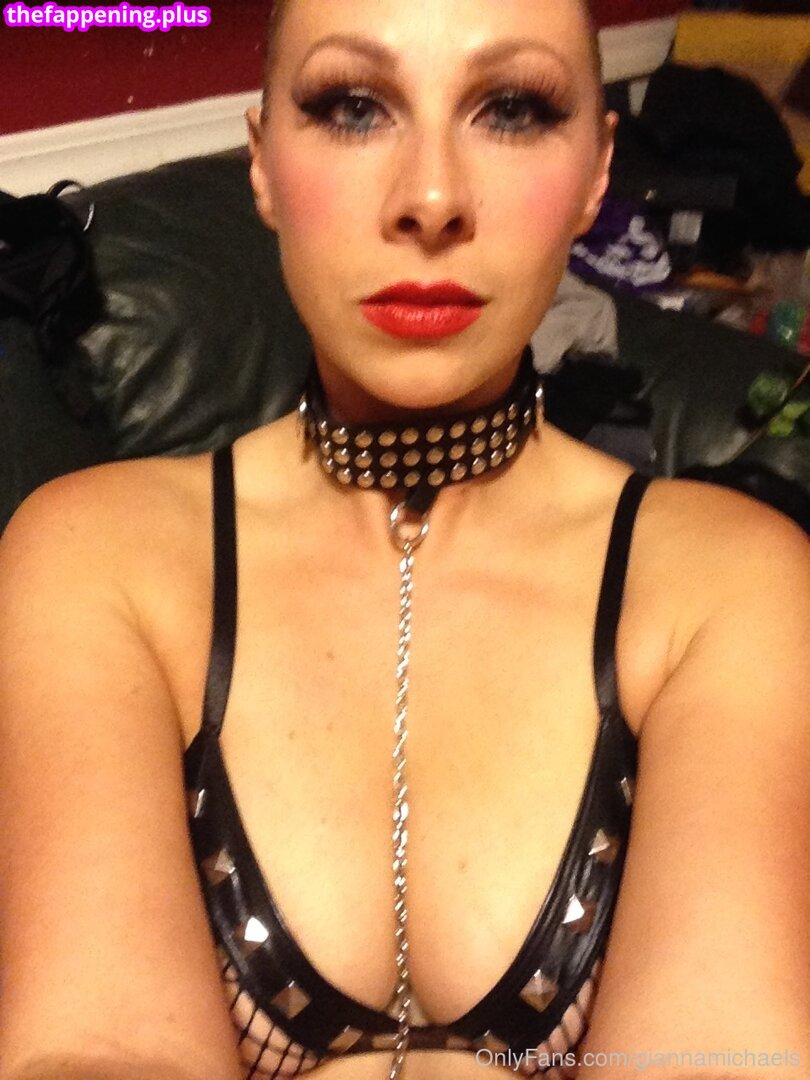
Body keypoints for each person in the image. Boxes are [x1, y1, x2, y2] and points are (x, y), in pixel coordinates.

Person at [0, 1, 808, 1078]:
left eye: (512, 109)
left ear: (597, 173)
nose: (432, 198)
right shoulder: (92, 560)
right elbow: (95, 1049)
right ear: (262, 164)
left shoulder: (731, 585)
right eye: (353, 106)